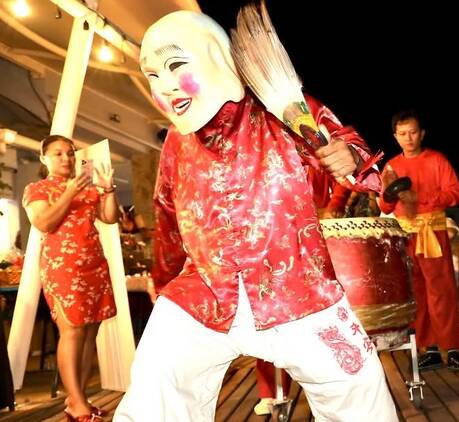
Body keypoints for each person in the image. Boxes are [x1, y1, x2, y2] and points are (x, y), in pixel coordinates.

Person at [113, 11, 397, 421]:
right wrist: (163, 282)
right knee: (155, 385)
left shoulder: (278, 109)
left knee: (357, 389)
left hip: (296, 287)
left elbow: (346, 146)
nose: (165, 86)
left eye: (176, 65)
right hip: (204, 293)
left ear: (214, 59)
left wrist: (348, 155)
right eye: (153, 75)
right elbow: (168, 217)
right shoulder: (176, 143)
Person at [23, 135, 119, 421]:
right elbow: (44, 222)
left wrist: (108, 190)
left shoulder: (88, 188)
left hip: (94, 265)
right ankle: (77, 404)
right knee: (73, 331)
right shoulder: (37, 189)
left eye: (70, 152)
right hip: (63, 268)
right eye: (57, 153)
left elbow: (110, 217)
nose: (66, 158)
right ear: (44, 158)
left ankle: (79, 400)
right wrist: (69, 192)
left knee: (90, 333)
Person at [378, 110, 459, 371]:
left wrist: (421, 200)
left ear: (422, 134)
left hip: (432, 231)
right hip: (405, 235)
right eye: (403, 134)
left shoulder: (436, 160)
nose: (409, 138)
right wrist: (389, 194)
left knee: (442, 291)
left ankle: (451, 348)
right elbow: (385, 205)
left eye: (413, 132)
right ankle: (428, 348)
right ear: (395, 137)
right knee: (416, 292)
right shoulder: (391, 166)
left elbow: (454, 193)